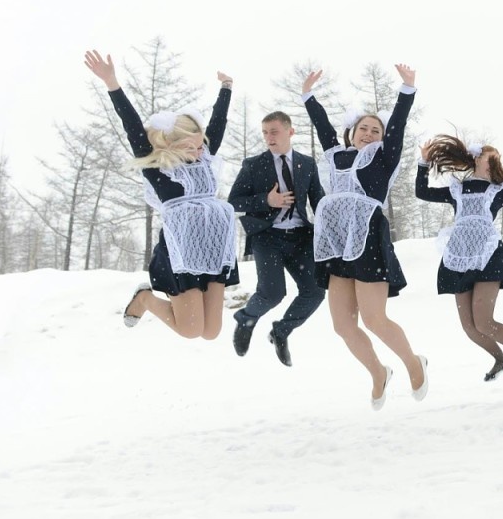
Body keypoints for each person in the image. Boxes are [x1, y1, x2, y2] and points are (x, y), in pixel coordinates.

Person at [84, 50, 238, 340]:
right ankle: (144, 299)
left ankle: (151, 300)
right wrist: (112, 83)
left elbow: (218, 122)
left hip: (215, 246)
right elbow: (132, 127)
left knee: (212, 332)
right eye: (190, 147)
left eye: (199, 146)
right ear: (173, 145)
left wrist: (226, 87)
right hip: (180, 250)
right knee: (191, 330)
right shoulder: (158, 168)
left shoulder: (204, 158)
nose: (198, 152)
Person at [302, 65, 427, 410]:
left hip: (369, 237)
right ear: (351, 133)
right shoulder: (334, 155)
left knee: (374, 319)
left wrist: (406, 89)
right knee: (343, 325)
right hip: (337, 242)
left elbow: (398, 125)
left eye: (375, 130)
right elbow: (322, 126)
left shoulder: (384, 159)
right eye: (364, 129)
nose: (369, 133)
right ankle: (378, 373)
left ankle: (414, 362)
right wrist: (308, 96)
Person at [416, 135, 503, 383]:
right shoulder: (457, 189)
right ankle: (500, 358)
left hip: (489, 256)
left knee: (485, 323)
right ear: (476, 159)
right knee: (469, 327)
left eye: (496, 160)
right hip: (459, 256)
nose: (493, 163)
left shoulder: (499, 192)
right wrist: (423, 163)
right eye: (489, 158)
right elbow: (421, 192)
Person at [228, 111, 326, 367]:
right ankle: (246, 319)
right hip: (267, 236)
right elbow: (234, 201)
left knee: (315, 292)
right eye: (265, 132)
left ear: (290, 131)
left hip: (301, 237)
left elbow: (320, 203)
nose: (269, 137)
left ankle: (281, 331)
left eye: (274, 131)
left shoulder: (307, 163)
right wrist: (266, 200)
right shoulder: (253, 165)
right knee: (272, 294)